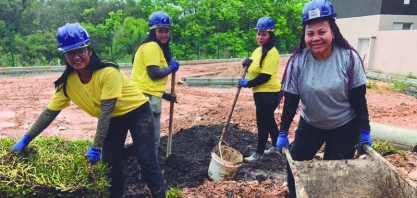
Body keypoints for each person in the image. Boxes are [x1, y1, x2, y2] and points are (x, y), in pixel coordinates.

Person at [11, 23, 165, 198]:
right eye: (70, 53)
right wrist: (26, 139)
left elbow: (106, 112)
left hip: (137, 113)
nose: (76, 57)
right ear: (64, 55)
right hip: (114, 120)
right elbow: (49, 113)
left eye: (80, 51)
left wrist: (96, 147)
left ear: (89, 51)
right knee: (111, 165)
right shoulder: (67, 83)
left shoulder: (108, 71)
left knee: (146, 161)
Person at [276, 0, 373, 197]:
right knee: (294, 164)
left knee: (334, 174)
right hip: (311, 125)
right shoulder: (298, 61)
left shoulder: (348, 58)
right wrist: (283, 132)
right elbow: (291, 100)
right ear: (304, 36)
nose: (316, 38)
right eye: (310, 33)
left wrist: (365, 130)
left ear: (333, 32)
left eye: (322, 32)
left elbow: (358, 99)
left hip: (344, 127)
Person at [130, 11, 179, 157]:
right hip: (146, 100)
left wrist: (165, 95)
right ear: (152, 31)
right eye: (160, 31)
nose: (164, 34)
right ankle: (150, 175)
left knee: (147, 139)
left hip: (146, 96)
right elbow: (154, 73)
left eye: (166, 31)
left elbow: (146, 81)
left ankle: (146, 173)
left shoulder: (151, 46)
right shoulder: (152, 46)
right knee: (152, 141)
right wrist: (171, 68)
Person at [238, 16, 282, 161]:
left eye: (263, 34)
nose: (260, 36)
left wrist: (247, 83)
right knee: (269, 120)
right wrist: (246, 63)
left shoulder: (272, 53)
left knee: (262, 122)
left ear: (270, 35)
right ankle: (276, 146)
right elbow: (253, 65)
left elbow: (265, 76)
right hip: (260, 93)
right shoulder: (258, 50)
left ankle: (259, 153)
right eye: (258, 33)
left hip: (269, 93)